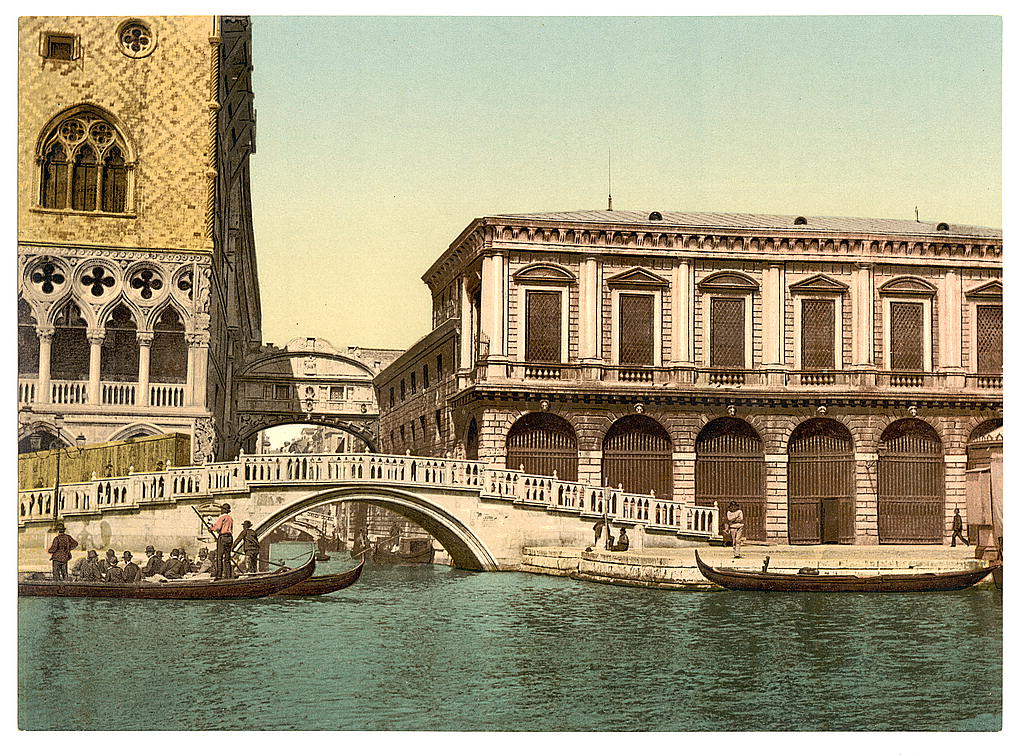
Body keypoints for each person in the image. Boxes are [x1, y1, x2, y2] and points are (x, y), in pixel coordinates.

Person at [211, 503, 234, 579]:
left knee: (219, 557)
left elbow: (217, 528)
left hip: (223, 537)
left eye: (222, 509)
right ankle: (228, 575)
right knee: (227, 558)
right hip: (229, 538)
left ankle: (219, 575)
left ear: (224, 510)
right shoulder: (230, 518)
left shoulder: (222, 517)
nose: (221, 510)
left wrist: (211, 528)